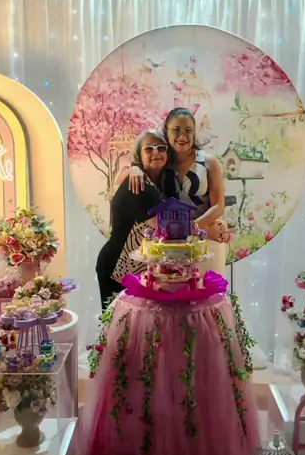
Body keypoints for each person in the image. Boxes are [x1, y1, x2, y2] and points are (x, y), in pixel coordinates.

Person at [130, 107, 229, 273]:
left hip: (206, 242)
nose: (183, 136)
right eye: (176, 130)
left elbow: (218, 206)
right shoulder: (162, 162)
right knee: (174, 287)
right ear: (167, 132)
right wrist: (135, 169)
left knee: (208, 289)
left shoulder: (209, 162)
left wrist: (194, 228)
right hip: (173, 247)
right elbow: (132, 175)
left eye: (188, 130)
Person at [95, 130, 168, 309]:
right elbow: (166, 227)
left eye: (161, 148)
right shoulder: (141, 185)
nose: (156, 152)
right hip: (117, 267)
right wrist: (207, 227)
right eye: (149, 149)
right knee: (119, 323)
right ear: (139, 155)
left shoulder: (151, 182)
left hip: (129, 267)